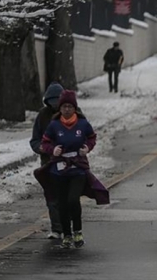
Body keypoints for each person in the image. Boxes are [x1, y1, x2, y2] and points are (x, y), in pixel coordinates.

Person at [38, 90, 108, 248]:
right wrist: (53, 150)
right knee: (62, 203)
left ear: (74, 108)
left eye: (70, 106)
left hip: (77, 167)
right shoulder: (54, 125)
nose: (67, 109)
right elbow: (45, 142)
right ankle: (67, 234)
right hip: (59, 169)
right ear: (60, 109)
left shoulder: (82, 124)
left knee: (72, 199)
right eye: (64, 107)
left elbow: (92, 137)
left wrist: (87, 148)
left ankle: (77, 231)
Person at [29, 82, 64, 239]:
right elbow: (35, 140)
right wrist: (40, 148)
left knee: (68, 196)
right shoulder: (43, 115)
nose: (55, 104)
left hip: (69, 162)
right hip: (48, 163)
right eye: (52, 101)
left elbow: (85, 133)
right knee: (51, 196)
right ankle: (56, 228)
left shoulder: (72, 112)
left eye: (58, 100)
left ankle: (69, 227)